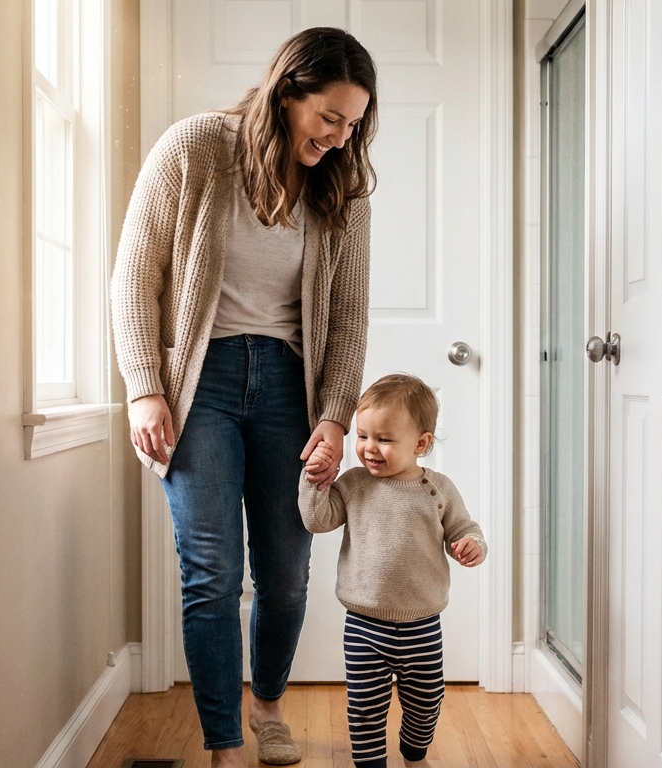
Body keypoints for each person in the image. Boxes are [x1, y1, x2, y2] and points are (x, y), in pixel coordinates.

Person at [110, 27, 378, 768]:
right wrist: (144, 389)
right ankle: (225, 742)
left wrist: (333, 415)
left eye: (354, 123)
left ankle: (267, 707)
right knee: (213, 573)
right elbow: (135, 276)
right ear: (286, 91)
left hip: (293, 386)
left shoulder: (342, 190)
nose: (339, 137)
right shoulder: (195, 149)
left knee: (287, 578)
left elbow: (350, 319)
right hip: (203, 384)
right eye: (329, 117)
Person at [299, 374, 487, 768]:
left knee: (426, 702)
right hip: (364, 625)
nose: (369, 448)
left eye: (384, 439)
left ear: (421, 443)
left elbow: (464, 528)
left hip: (422, 624)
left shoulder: (438, 489)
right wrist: (314, 480)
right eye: (363, 436)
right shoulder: (353, 484)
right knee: (364, 709)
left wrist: (472, 546)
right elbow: (317, 520)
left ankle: (414, 753)